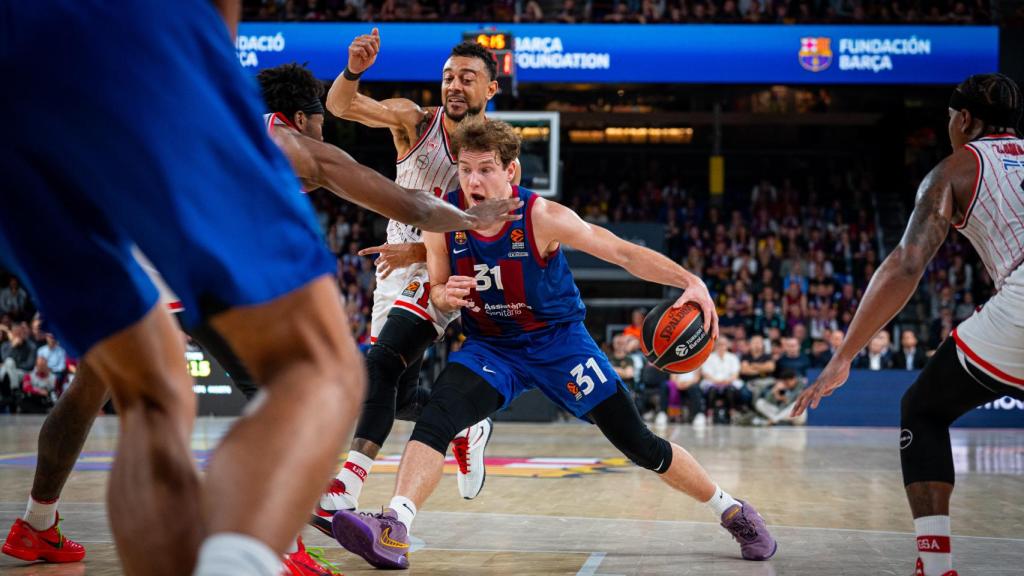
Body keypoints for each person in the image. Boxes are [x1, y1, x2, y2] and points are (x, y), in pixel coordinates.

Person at [0, 58, 519, 575]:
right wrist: (472, 218)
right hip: (176, 260)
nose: (324, 134)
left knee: (90, 390)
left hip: (116, 247)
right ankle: (280, 545)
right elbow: (411, 203)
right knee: (292, 394)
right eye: (321, 125)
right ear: (299, 117)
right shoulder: (284, 140)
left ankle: (36, 525)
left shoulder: (218, 129)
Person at [330, 118, 776, 569]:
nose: (473, 181)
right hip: (492, 348)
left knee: (639, 443)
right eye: (465, 170)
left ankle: (732, 510)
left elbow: (621, 251)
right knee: (438, 418)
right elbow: (441, 286)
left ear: (512, 173)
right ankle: (395, 525)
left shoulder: (541, 216)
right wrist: (446, 294)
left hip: (560, 346)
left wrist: (690, 280)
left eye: (485, 169)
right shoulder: (441, 218)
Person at [794, 73, 1024, 576]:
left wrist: (844, 354)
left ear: (963, 119)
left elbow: (905, 264)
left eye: (948, 120)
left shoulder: (955, 170)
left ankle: (934, 563)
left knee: (922, 409)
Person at [315, 30, 520, 522]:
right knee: (399, 390)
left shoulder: (493, 152)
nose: (454, 85)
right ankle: (467, 428)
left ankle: (347, 484)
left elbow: (496, 223)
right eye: (449, 76)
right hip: (395, 267)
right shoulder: (414, 120)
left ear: (490, 89)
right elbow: (342, 107)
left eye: (467, 79)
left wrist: (415, 249)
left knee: (381, 365)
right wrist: (354, 71)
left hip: (442, 269)